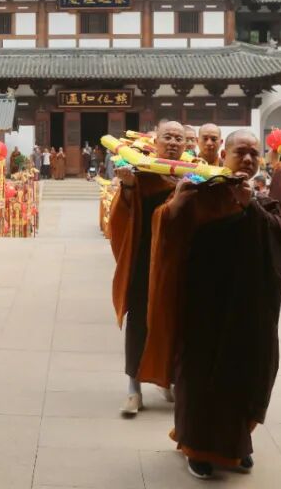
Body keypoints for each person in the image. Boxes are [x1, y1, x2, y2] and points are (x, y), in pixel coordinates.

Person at [140, 130, 281, 480]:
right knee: (200, 377)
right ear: (224, 153)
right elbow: (168, 229)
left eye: (255, 153)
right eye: (241, 152)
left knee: (245, 374)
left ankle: (237, 445)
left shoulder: (262, 199)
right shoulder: (201, 191)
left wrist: (249, 204)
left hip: (249, 309)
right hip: (204, 305)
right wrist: (174, 206)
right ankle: (196, 446)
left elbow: (280, 248)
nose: (249, 159)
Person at [108, 119, 185, 416]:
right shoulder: (142, 172)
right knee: (140, 319)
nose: (174, 142)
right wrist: (127, 188)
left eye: (179, 138)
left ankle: (169, 380)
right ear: (156, 142)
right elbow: (123, 216)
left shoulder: (194, 175)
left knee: (177, 321)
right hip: (145, 260)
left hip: (179, 259)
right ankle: (133, 387)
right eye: (168, 137)